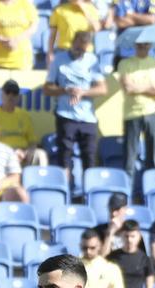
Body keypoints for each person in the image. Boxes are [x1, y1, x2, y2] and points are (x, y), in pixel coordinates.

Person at [44, 30, 106, 192]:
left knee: (90, 160)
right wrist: (66, 90)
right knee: (64, 159)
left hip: (88, 118)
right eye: (78, 49)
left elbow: (102, 89)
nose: (80, 53)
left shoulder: (92, 60)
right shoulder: (59, 59)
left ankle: (89, 195)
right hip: (66, 116)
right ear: (73, 43)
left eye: (83, 50)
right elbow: (48, 88)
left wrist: (82, 92)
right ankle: (65, 193)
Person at [117, 41, 155, 193]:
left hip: (153, 113)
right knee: (129, 159)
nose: (142, 47)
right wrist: (151, 88)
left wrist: (139, 87)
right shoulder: (124, 63)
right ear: (134, 46)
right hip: (132, 115)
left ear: (150, 46)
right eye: (139, 45)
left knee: (154, 157)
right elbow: (128, 88)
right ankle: (128, 194)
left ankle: (151, 193)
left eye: (146, 45)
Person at [0, 80, 47, 168]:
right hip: (1, 153)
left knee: (40, 155)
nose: (11, 96)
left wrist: (27, 152)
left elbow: (32, 141)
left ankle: (40, 180)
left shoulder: (24, 115)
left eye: (14, 93)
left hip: (23, 153)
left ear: (18, 97)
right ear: (2, 94)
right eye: (7, 92)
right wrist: (11, 152)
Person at [0, 0, 37, 71]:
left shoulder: (25, 4)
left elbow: (33, 27)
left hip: (22, 61)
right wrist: (1, 39)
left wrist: (16, 40)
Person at [47, 0, 102, 66]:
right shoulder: (59, 10)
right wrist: (50, 52)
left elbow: (96, 28)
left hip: (85, 51)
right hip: (64, 50)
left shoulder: (91, 9)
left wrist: (84, 9)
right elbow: (53, 35)